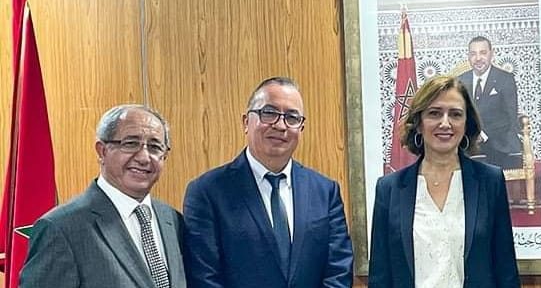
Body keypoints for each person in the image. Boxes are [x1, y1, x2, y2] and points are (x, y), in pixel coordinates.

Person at [182, 77, 353, 288]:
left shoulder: (325, 191)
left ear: (301, 128)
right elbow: (205, 279)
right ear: (246, 122)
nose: (280, 125)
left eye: (292, 117)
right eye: (269, 113)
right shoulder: (207, 192)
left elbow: (339, 271)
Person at [369, 74, 520, 288]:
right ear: (418, 123)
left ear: (466, 124)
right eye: (434, 113)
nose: (445, 123)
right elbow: (380, 276)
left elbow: (506, 272)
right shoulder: (390, 189)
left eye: (456, 114)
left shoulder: (490, 182)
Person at [19, 104, 186, 288]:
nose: (144, 158)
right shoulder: (61, 228)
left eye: (155, 147)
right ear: (102, 151)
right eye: (130, 144)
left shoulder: (173, 220)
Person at [457, 36, 523, 169]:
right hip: (469, 144)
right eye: (473, 54)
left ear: (491, 54)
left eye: (483, 53)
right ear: (468, 56)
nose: (478, 58)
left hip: (501, 144)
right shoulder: (460, 81)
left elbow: (510, 117)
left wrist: (483, 134)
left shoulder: (505, 79)